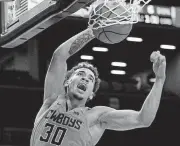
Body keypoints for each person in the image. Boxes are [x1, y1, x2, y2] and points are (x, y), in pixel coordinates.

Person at [30, 9, 166, 146]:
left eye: (90, 79)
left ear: (91, 94)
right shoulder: (52, 100)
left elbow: (142, 119)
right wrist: (94, 30)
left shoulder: (96, 117)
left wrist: (159, 80)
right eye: (80, 74)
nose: (85, 79)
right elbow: (59, 56)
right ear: (66, 82)